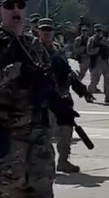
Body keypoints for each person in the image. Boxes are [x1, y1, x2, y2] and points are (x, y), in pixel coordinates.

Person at [0, 0, 78, 198]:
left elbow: (47, 81)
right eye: (9, 5)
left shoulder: (34, 45)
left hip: (38, 136)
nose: (16, 9)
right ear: (0, 10)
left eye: (20, 5)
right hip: (7, 135)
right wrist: (16, 71)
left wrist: (59, 104)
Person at [37, 18, 94, 174]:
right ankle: (43, 164)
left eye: (49, 30)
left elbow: (68, 71)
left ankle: (63, 160)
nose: (47, 33)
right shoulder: (33, 50)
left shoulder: (58, 49)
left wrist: (82, 90)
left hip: (62, 97)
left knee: (66, 129)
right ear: (38, 32)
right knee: (46, 133)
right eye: (44, 30)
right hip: (46, 99)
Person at [87, 24, 109, 103]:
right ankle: (89, 95)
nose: (99, 32)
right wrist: (98, 49)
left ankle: (108, 96)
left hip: (105, 61)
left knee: (107, 78)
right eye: (97, 31)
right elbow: (89, 51)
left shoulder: (104, 40)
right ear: (94, 31)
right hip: (96, 61)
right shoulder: (92, 40)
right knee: (95, 80)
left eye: (100, 30)